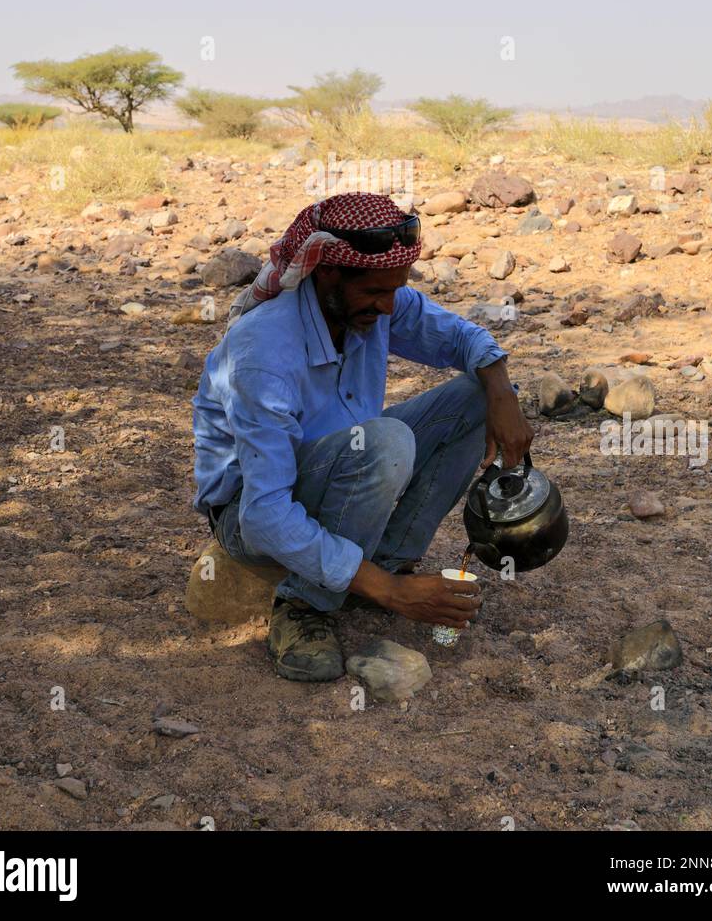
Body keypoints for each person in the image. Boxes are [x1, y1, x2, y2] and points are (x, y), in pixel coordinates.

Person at [192, 191, 534, 682]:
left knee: (476, 394)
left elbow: (463, 338)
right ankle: (306, 606)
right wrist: (392, 594)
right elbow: (265, 515)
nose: (388, 305)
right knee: (385, 444)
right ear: (327, 272)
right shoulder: (264, 350)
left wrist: (501, 391)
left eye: (395, 290)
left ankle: (383, 564)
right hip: (250, 516)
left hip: (342, 468)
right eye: (376, 291)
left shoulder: (375, 301)